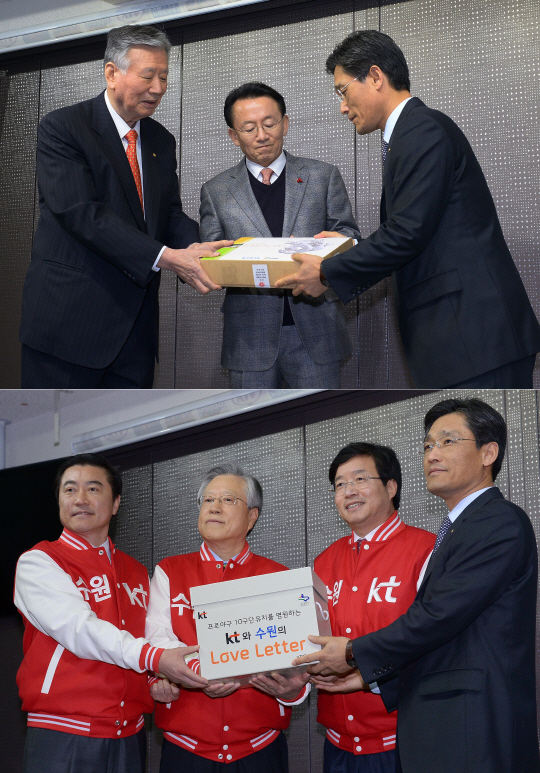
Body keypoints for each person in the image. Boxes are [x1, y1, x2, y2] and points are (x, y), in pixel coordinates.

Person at [275, 30, 540, 388]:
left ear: (375, 77)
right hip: (462, 338)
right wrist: (349, 249)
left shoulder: (422, 131)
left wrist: (326, 271)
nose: (341, 106)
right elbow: (414, 228)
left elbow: (407, 234)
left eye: (342, 91)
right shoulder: (411, 133)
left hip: (473, 335)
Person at [293, 398, 540, 773]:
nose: (432, 454)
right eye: (427, 446)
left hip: (475, 727)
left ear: (489, 452)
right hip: (435, 725)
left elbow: (437, 617)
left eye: (448, 442)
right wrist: (372, 681)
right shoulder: (458, 528)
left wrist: (352, 652)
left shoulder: (498, 523)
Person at [19, 24, 231, 388]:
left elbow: (169, 216)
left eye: (164, 77)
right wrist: (167, 256)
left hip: (135, 332)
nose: (158, 88)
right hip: (69, 326)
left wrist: (204, 248)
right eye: (148, 75)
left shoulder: (160, 140)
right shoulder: (64, 128)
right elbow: (81, 213)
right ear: (111, 72)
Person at [14, 453, 203, 773]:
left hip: (129, 733)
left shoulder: (137, 571)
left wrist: (159, 679)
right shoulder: (39, 561)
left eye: (93, 489)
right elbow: (79, 629)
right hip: (64, 731)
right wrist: (156, 660)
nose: (80, 499)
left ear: (116, 503)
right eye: (70, 490)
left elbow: (148, 639)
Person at [146, 463, 310, 772]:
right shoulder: (170, 571)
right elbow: (157, 640)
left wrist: (293, 690)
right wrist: (190, 672)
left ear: (252, 517)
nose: (214, 507)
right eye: (208, 500)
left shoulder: (279, 577)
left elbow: (298, 656)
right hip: (186, 749)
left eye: (227, 500)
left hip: (260, 749)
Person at [199, 82, 361, 388]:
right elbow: (210, 253)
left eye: (269, 123)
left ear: (284, 124)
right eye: (249, 128)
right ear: (234, 136)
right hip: (249, 337)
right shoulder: (216, 190)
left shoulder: (322, 176)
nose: (262, 135)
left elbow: (350, 236)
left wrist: (336, 245)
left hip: (316, 327)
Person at [313, 442, 434, 773]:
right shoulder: (322, 564)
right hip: (337, 744)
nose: (349, 491)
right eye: (339, 484)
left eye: (360, 479)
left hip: (404, 741)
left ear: (391, 487)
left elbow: (436, 642)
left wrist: (370, 676)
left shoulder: (428, 551)